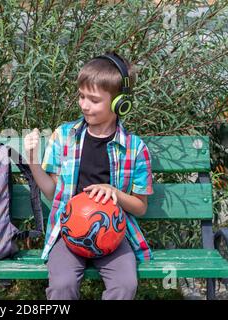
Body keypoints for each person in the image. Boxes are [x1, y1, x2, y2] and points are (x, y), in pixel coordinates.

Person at [23, 52, 154, 300]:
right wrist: (32, 160)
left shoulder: (136, 148)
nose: (84, 105)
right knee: (62, 285)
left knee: (125, 285)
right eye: (82, 96)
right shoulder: (64, 136)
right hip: (69, 232)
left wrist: (115, 193)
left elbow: (140, 208)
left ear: (119, 103)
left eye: (93, 100)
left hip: (114, 236)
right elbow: (50, 191)